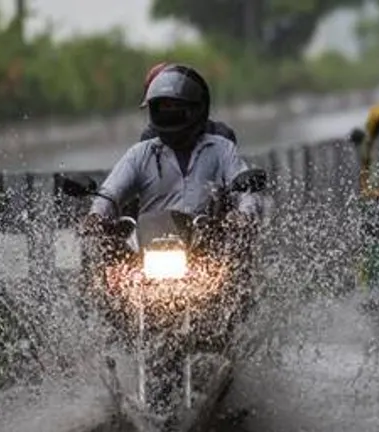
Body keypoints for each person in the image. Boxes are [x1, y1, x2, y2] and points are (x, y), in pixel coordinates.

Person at [78, 64, 263, 331]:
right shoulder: (139, 153)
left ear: (197, 109)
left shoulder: (222, 149)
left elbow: (245, 190)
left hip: (206, 250)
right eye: (162, 109)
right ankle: (121, 341)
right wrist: (96, 216)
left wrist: (242, 214)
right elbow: (109, 194)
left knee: (232, 288)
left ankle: (225, 341)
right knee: (113, 289)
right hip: (152, 253)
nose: (170, 116)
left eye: (176, 110)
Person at [138, 62, 238, 145]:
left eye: (175, 105)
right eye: (162, 107)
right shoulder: (149, 140)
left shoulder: (221, 134)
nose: (169, 113)